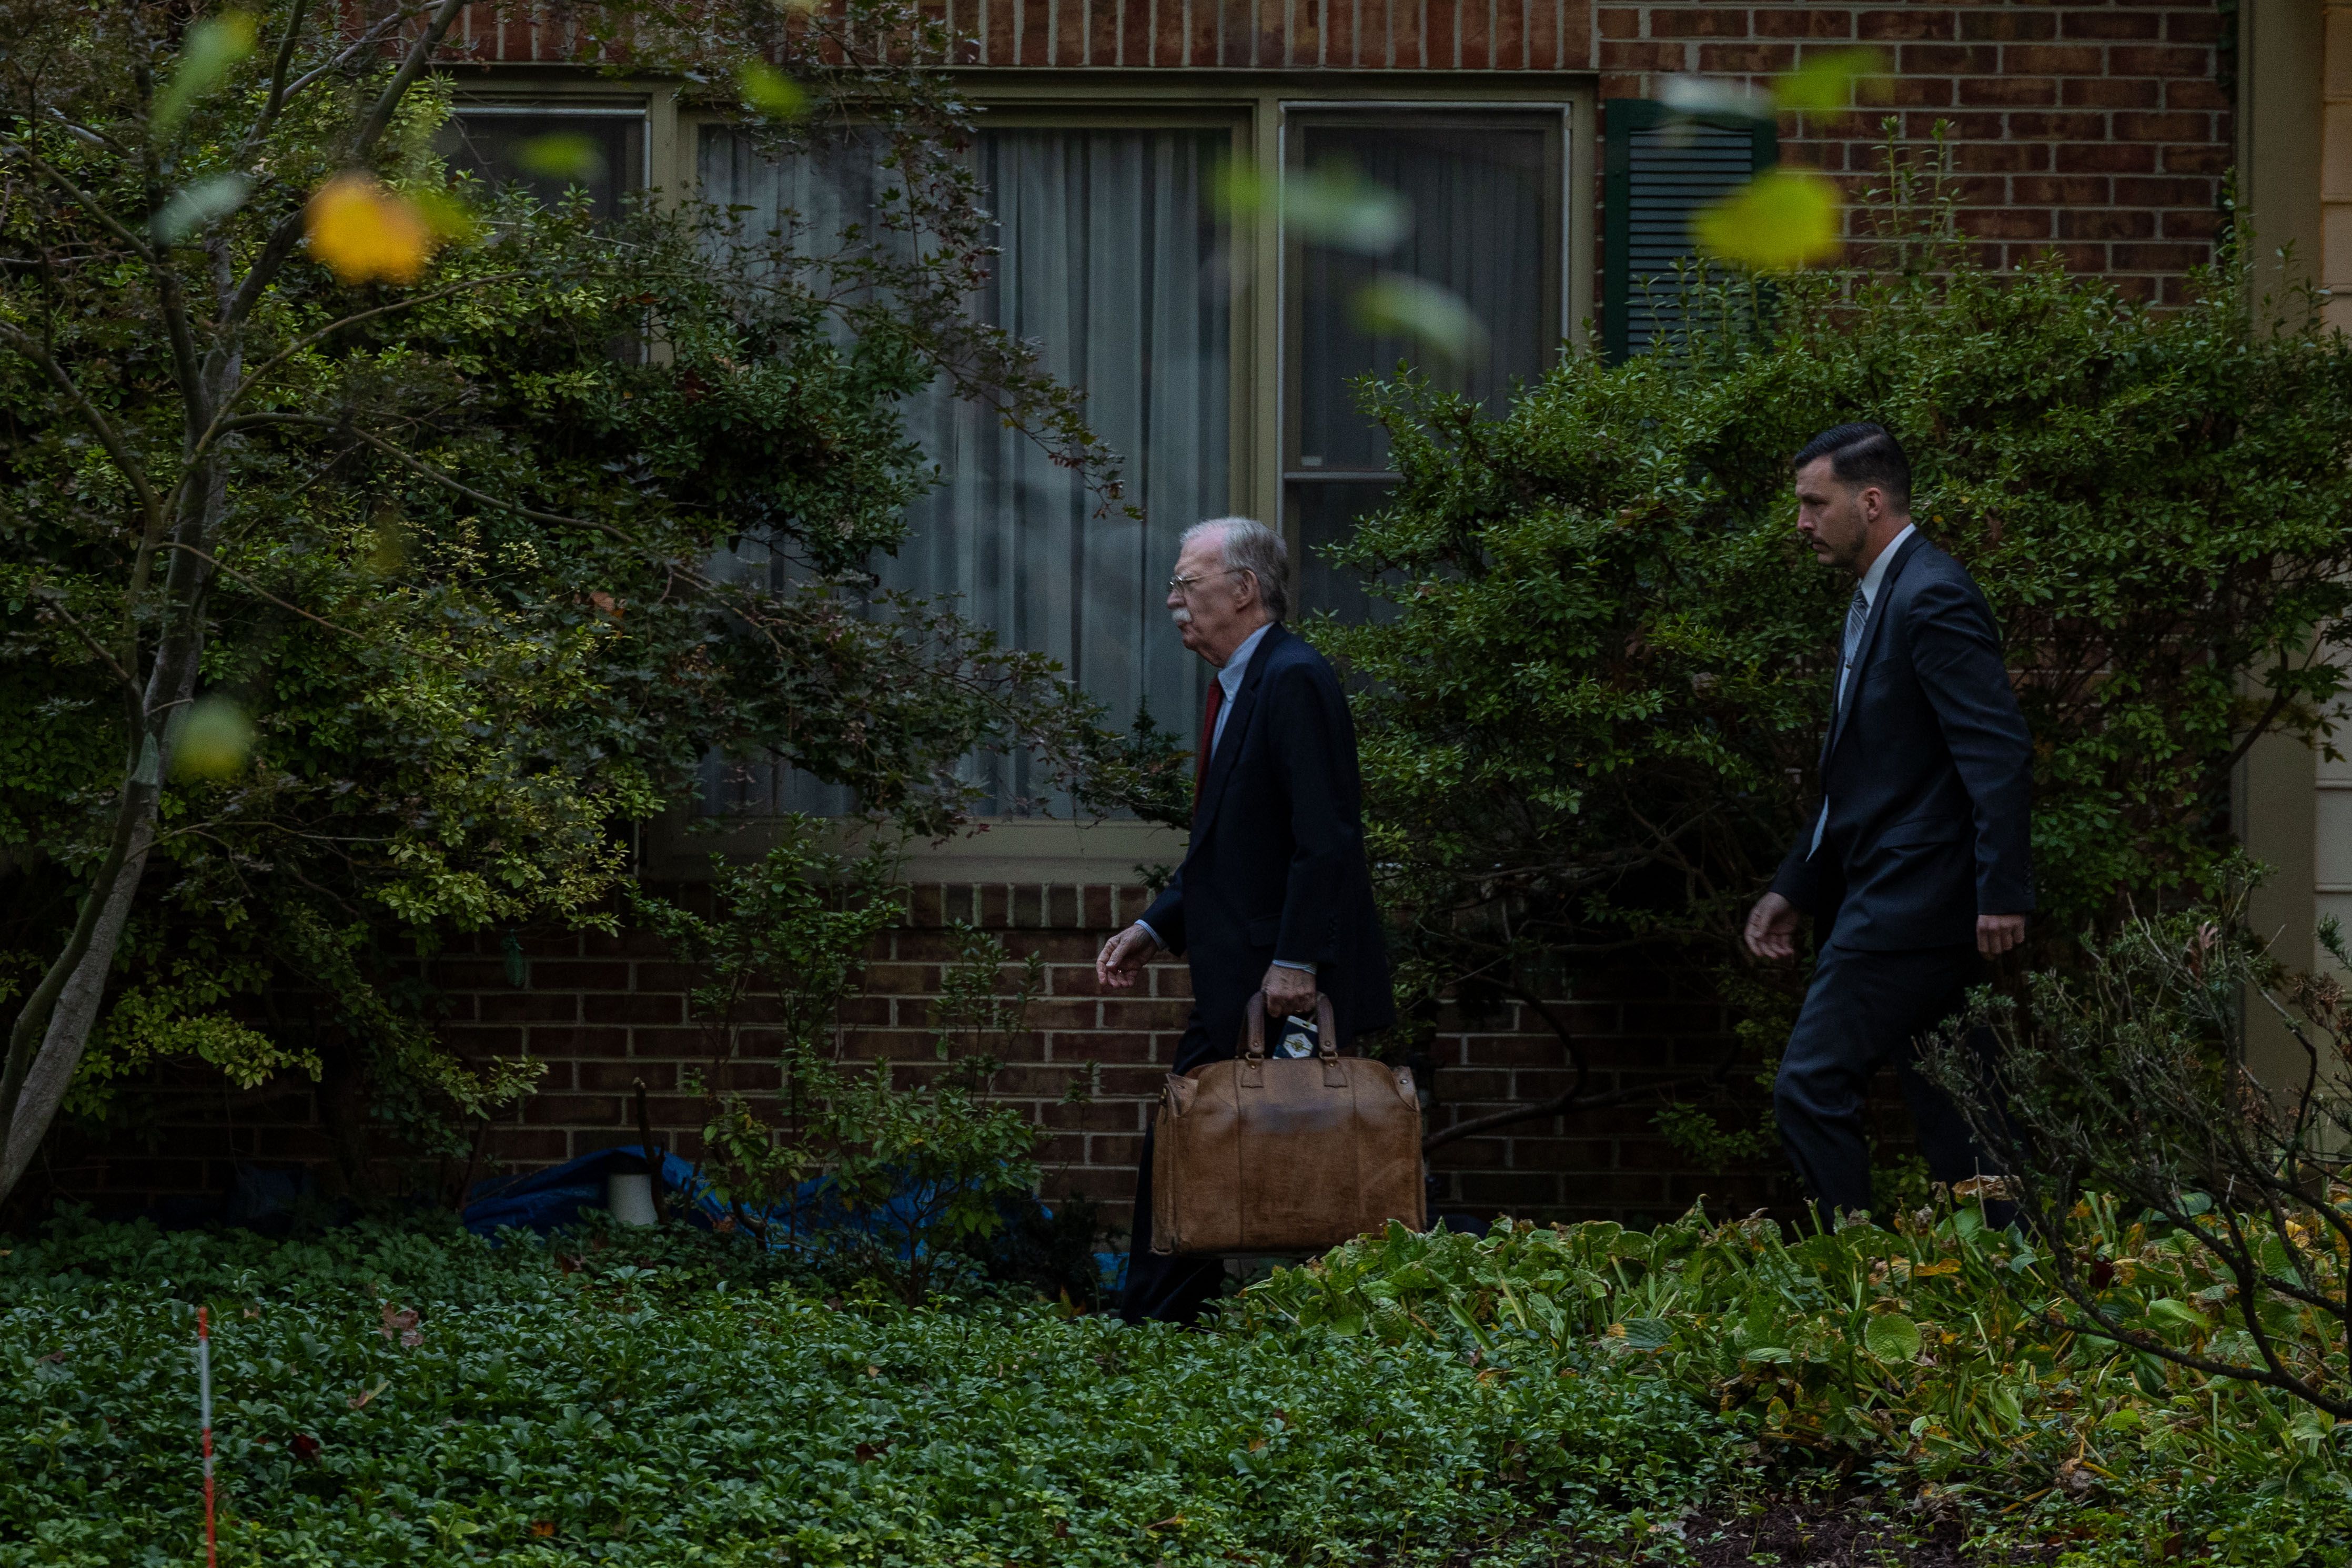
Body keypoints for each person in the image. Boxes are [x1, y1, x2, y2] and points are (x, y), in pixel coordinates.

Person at [1095, 516, 1395, 1324]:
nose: (1173, 603)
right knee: (1208, 1138)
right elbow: (1235, 845)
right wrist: (1156, 925)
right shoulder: (1236, 685)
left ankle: (1164, 1321)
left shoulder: (1293, 678)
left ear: (1244, 590)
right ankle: (1169, 1317)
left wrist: (1297, 959)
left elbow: (1324, 839)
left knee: (1300, 1149)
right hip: (1244, 974)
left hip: (1286, 983)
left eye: (1187, 585)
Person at [1743, 424, 2032, 1225]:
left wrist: (2002, 888)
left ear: (1869, 502)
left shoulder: (1930, 593)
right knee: (1961, 1108)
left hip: (1913, 896)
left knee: (1810, 1082)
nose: (1801, 521)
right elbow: (1864, 771)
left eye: (1814, 502)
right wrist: (1794, 886)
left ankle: (1847, 1277)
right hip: (1900, 891)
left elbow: (1996, 747)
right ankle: (2016, 1271)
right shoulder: (1880, 594)